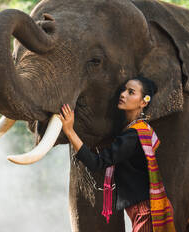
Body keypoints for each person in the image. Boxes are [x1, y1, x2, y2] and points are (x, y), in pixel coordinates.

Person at [58, 76, 176, 232]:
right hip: (146, 210)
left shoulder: (132, 136)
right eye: (124, 90)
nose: (123, 94)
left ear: (143, 102)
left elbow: (97, 163)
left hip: (145, 213)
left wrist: (70, 131)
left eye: (131, 92)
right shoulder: (142, 130)